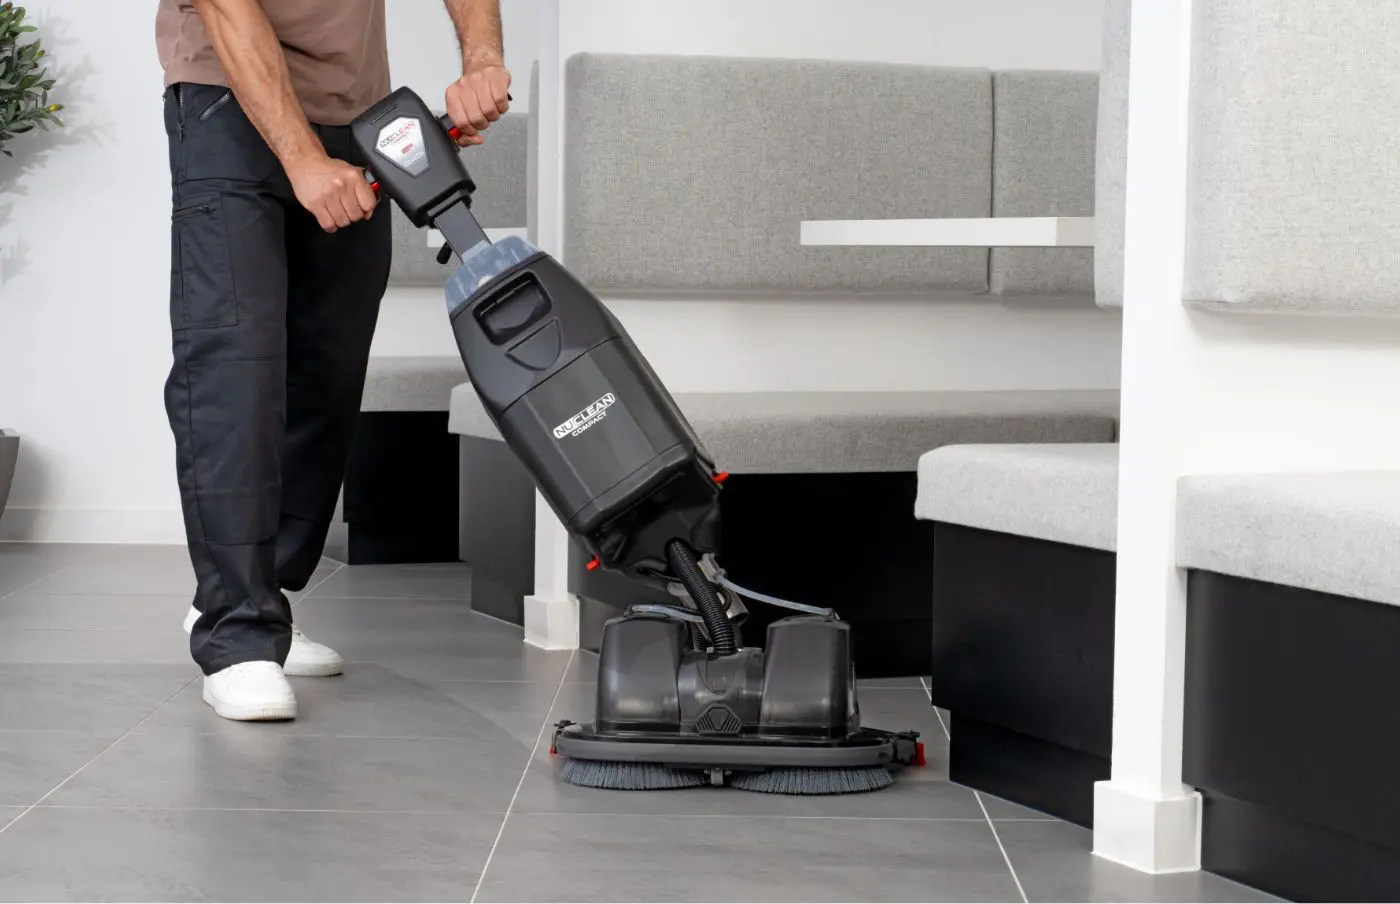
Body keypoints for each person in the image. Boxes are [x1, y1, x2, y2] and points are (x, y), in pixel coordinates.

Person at [155, 0, 511, 721]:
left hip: (356, 114)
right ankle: (238, 635)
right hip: (223, 100)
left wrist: (481, 60)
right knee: (235, 369)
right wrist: (301, 160)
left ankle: (264, 597)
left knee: (329, 372)